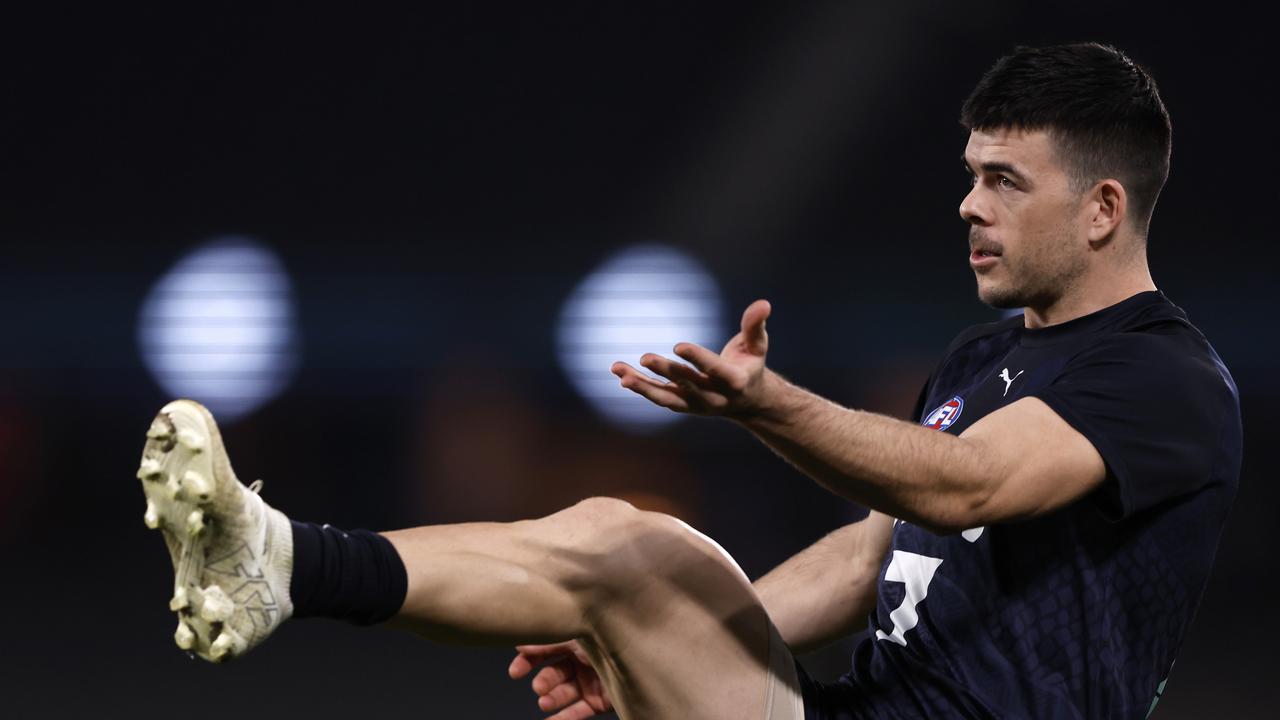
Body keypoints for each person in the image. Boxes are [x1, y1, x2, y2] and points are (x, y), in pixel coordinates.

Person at [136, 42, 1241, 719]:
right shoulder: (980, 357)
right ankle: (279, 563)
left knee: (642, 551)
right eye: (969, 176)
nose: (968, 205)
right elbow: (878, 548)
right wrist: (654, 638)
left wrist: (767, 405)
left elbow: (964, 490)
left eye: (1004, 180)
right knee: (628, 546)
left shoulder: (1161, 377)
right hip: (841, 712)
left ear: (1101, 209)